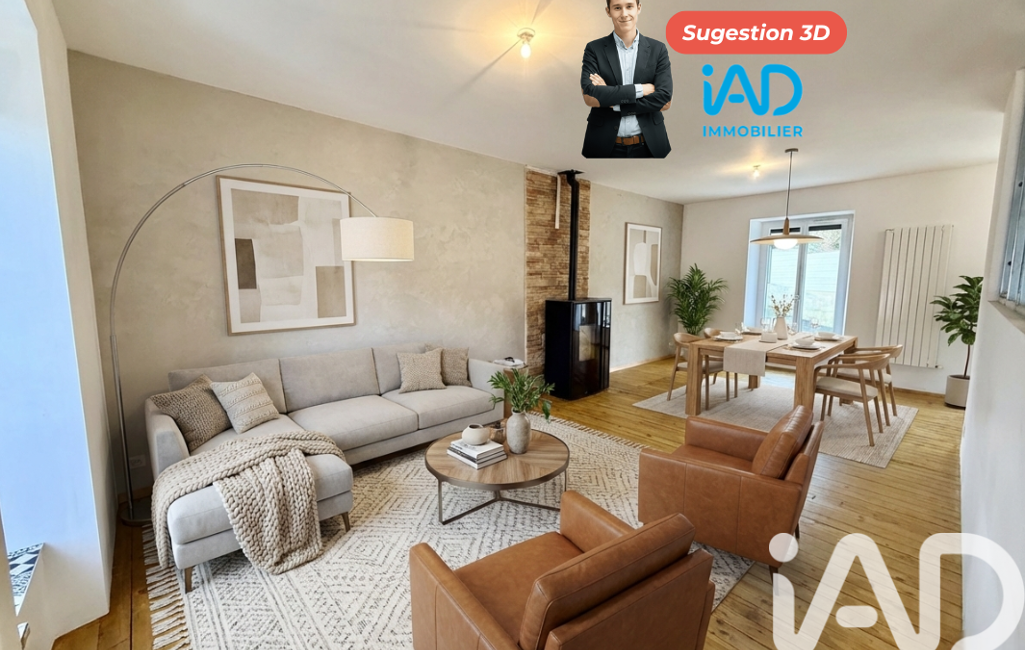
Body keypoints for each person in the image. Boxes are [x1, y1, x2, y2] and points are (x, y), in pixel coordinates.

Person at [580, 0, 673, 158]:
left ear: (638, 8)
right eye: (617, 8)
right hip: (603, 144)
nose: (624, 14)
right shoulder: (594, 49)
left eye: (629, 6)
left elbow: (664, 100)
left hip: (650, 145)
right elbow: (590, 96)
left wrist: (613, 100)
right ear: (608, 11)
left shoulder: (658, 49)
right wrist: (641, 89)